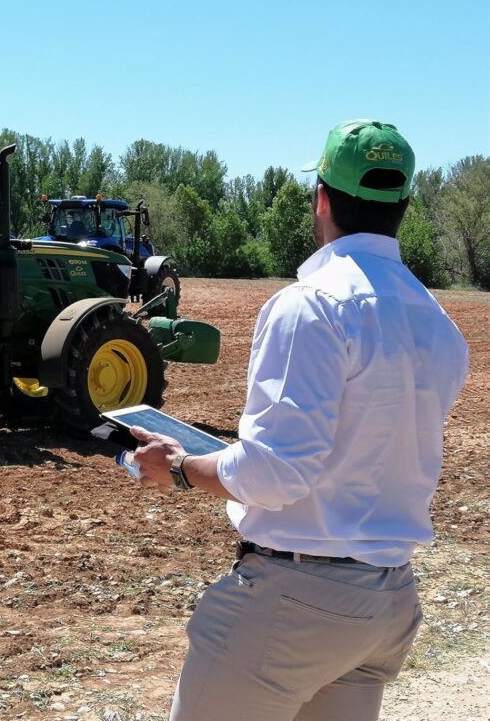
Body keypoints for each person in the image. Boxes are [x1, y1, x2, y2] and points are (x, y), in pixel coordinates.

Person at [127, 119, 469, 721]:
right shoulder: (436, 320)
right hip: (386, 601)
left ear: (322, 198)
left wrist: (179, 467)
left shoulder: (311, 305)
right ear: (406, 205)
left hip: (296, 603)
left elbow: (274, 472)